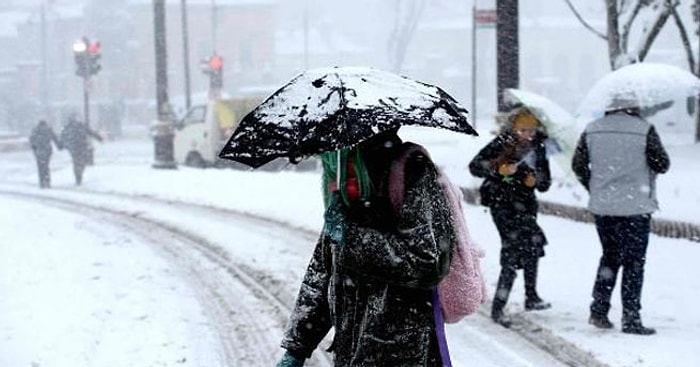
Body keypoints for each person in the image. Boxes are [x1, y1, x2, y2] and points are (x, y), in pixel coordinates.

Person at [276, 128, 457, 366]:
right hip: (352, 350)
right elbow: (323, 273)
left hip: (403, 350)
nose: (328, 163)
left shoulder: (413, 170)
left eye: (329, 153)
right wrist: (297, 348)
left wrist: (352, 237)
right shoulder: (346, 189)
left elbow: (426, 261)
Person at [572, 95, 670, 335]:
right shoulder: (644, 129)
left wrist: (594, 186)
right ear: (633, 107)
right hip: (636, 207)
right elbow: (662, 164)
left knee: (610, 257)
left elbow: (578, 165)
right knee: (634, 263)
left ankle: (599, 310)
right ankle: (631, 318)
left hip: (604, 208)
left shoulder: (592, 129)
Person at [468, 106, 552, 328]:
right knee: (512, 250)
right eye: (524, 129)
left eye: (532, 129)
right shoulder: (501, 144)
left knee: (533, 245)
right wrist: (499, 170)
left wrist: (536, 182)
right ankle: (498, 307)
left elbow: (545, 182)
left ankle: (531, 296)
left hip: (526, 206)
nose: (529, 134)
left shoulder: (538, 148)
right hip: (502, 204)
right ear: (514, 128)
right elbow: (475, 166)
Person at [60, 116, 102, 185]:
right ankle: (79, 174)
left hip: (73, 148)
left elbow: (63, 137)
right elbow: (90, 132)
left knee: (76, 162)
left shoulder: (67, 128)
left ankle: (78, 176)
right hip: (82, 146)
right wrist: (99, 138)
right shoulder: (80, 126)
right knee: (81, 161)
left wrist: (62, 145)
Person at [29, 120, 62, 188]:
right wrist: (59, 146)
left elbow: (32, 141)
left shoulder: (35, 130)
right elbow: (54, 138)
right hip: (47, 150)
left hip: (39, 150)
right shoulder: (48, 130)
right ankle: (47, 181)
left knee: (40, 166)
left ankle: (42, 182)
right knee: (46, 165)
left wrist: (34, 149)